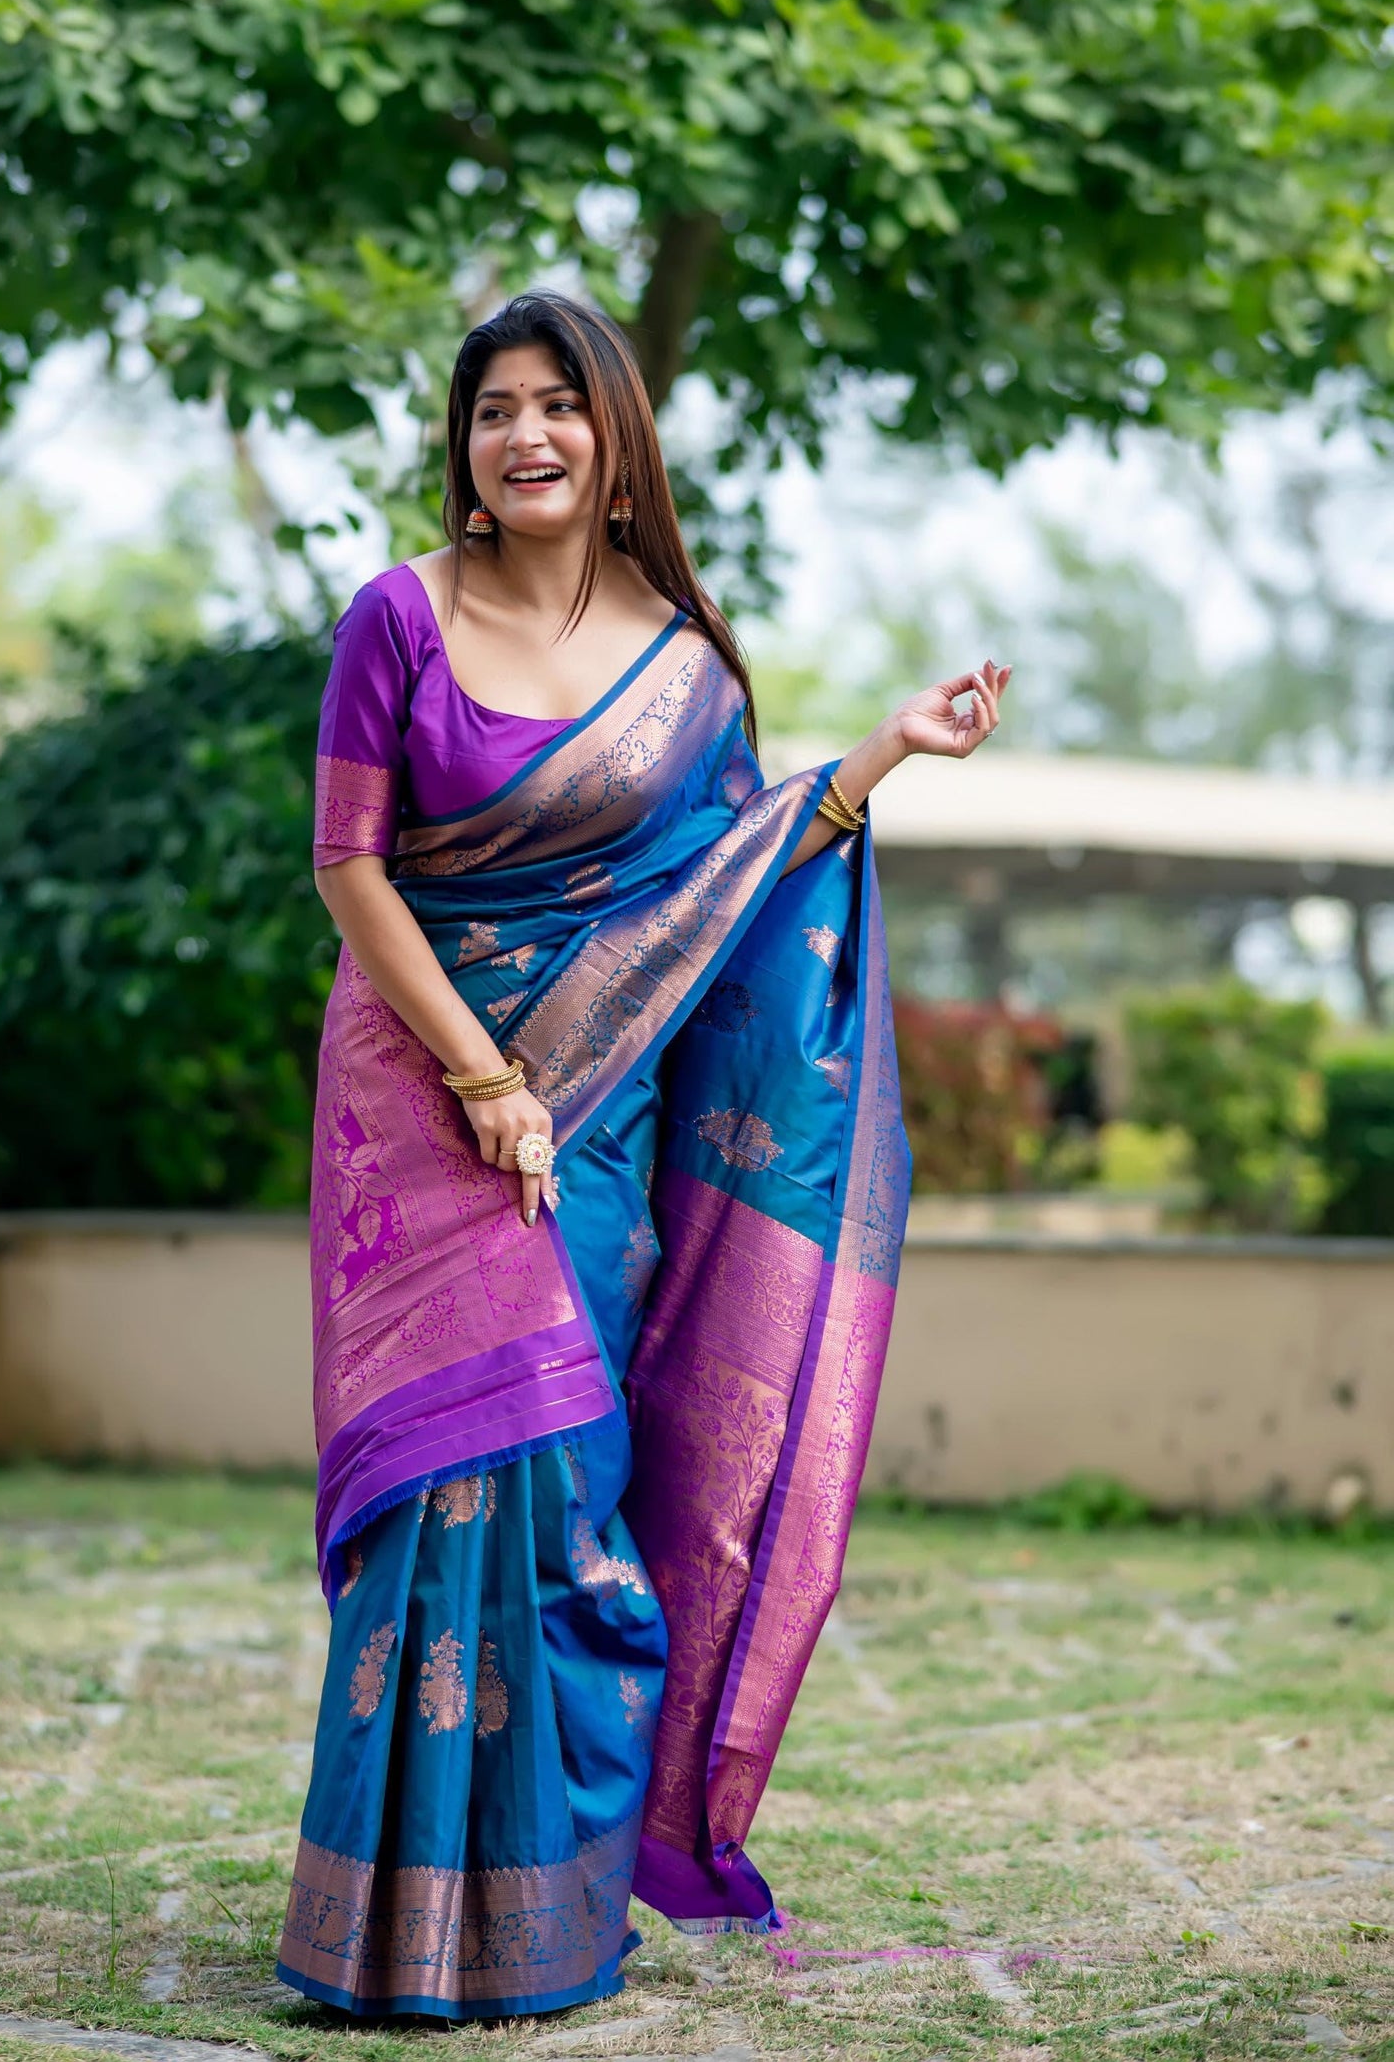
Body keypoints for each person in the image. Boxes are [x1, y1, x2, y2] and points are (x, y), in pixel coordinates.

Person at [276, 291, 1009, 2023]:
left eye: (557, 408)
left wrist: (885, 753)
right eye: (492, 411)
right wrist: (483, 1078)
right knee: (447, 1490)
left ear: (615, 444)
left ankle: (546, 1922)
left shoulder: (680, 666)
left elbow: (728, 882)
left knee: (564, 1482)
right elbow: (350, 871)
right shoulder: (399, 617)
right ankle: (385, 1934)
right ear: (462, 449)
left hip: (594, 1122)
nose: (522, 436)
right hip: (418, 1098)